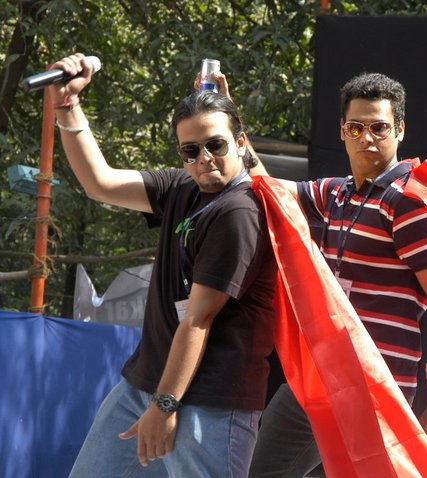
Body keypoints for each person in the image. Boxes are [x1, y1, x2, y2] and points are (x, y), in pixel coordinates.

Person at [50, 53, 277, 477]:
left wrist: (165, 404)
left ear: (241, 142)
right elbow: (99, 182)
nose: (203, 158)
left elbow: (198, 319)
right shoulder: (181, 186)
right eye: (190, 150)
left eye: (216, 144)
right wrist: (67, 105)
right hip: (145, 386)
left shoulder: (240, 210)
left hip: (209, 402)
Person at [248, 72, 427, 476]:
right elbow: (267, 187)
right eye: (356, 128)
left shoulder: (406, 202)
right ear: (342, 131)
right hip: (323, 376)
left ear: (400, 130)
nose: (367, 138)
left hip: (376, 384)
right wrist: (231, 128)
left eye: (379, 127)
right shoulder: (337, 192)